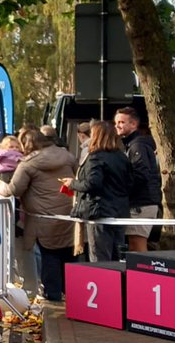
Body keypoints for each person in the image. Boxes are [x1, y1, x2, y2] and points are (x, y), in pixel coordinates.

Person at [0, 128, 77, 301]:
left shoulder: (27, 164)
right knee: (68, 255)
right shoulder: (67, 156)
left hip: (43, 216)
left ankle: (53, 296)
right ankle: (73, 294)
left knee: (49, 255)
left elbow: (14, 189)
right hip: (68, 213)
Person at [60, 120, 130, 263]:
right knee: (118, 257)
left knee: (99, 257)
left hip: (99, 211)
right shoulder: (122, 157)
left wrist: (72, 183)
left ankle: (103, 284)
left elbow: (92, 183)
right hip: (119, 212)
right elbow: (130, 182)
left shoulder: (95, 157)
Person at [114, 106, 161, 253]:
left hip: (142, 203)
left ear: (133, 124)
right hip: (141, 202)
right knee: (134, 244)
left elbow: (140, 175)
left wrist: (122, 189)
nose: (117, 126)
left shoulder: (137, 145)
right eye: (116, 123)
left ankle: (142, 275)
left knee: (137, 244)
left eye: (121, 122)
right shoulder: (133, 144)